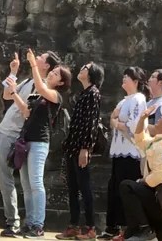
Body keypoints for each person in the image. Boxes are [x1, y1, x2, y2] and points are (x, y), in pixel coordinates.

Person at [0, 50, 60, 237]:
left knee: (5, 177)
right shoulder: (29, 81)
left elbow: (26, 110)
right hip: (1, 130)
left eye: (41, 58)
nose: (37, 58)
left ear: (46, 66)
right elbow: (7, 95)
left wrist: (15, 91)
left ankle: (12, 221)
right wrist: (13, 72)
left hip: (13, 133)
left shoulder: (43, 87)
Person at [8, 49, 72, 238]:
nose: (51, 75)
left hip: (39, 142)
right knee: (26, 185)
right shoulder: (40, 97)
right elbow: (26, 112)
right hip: (26, 140)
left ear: (60, 82)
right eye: (51, 73)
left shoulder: (55, 96)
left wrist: (34, 65)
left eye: (54, 74)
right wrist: (13, 93)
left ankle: (38, 224)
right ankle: (29, 222)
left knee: (36, 182)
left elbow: (42, 87)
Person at [119, 104, 162, 241]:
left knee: (127, 186)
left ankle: (144, 228)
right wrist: (143, 118)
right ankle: (152, 228)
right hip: (157, 199)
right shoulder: (158, 142)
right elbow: (140, 140)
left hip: (161, 201)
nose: (159, 118)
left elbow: (159, 177)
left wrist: (142, 182)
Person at [56, 62, 105, 241]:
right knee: (73, 188)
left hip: (80, 148)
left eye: (85, 68)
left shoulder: (93, 93)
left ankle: (91, 228)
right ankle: (74, 225)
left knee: (84, 187)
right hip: (72, 147)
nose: (81, 69)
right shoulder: (84, 94)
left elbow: (90, 123)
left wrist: (85, 148)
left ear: (92, 74)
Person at [99, 67, 149, 241]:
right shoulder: (123, 101)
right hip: (119, 151)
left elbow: (135, 125)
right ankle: (113, 226)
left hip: (131, 151)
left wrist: (118, 123)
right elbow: (113, 118)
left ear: (136, 82)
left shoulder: (139, 99)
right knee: (114, 188)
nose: (124, 79)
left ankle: (129, 228)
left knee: (126, 189)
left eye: (128, 77)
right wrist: (117, 121)